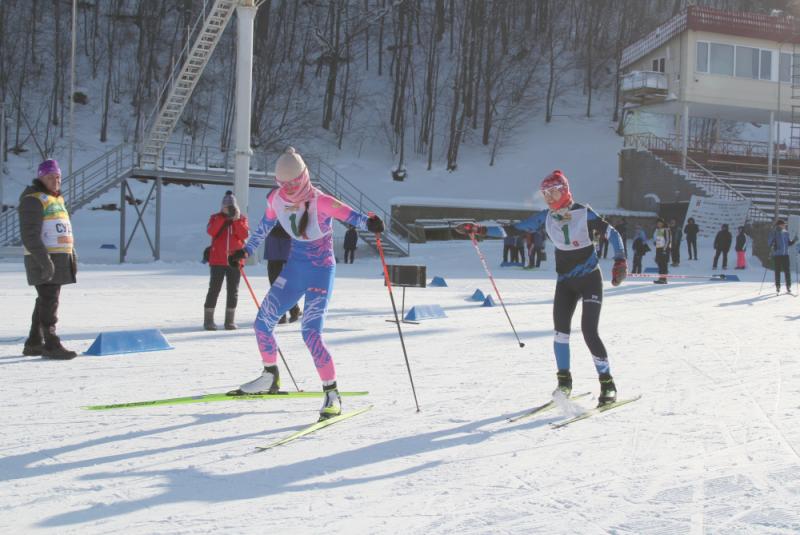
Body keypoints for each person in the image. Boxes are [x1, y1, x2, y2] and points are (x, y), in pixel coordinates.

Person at [227, 147, 383, 420]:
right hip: (295, 268)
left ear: (303, 177)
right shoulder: (275, 199)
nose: (288, 189)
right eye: (282, 184)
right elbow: (264, 227)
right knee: (262, 322)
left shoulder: (321, 201)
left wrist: (371, 223)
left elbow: (354, 217)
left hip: (321, 271)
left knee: (310, 333)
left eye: (292, 183)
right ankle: (270, 376)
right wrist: (245, 250)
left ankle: (332, 393)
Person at [511, 170, 627, 407]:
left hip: (589, 280)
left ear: (564, 190)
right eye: (545, 194)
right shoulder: (546, 217)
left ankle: (607, 384)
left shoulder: (583, 213)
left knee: (589, 331)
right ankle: (564, 382)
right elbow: (514, 230)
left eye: (553, 192)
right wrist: (479, 231)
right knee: (560, 333)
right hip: (565, 283)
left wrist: (620, 260)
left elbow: (613, 234)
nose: (549, 198)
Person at [18, 159, 78, 359]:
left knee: (45, 299)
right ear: (41, 177)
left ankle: (34, 343)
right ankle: (51, 343)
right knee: (49, 300)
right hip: (42, 258)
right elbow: (30, 235)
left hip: (59, 258)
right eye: (51, 177)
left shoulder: (56, 199)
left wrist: (72, 256)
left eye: (58, 177)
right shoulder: (33, 199)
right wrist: (44, 260)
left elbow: (63, 228)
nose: (56, 180)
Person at [203, 191, 249, 331]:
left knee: (233, 290)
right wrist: (223, 218)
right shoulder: (215, 218)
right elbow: (211, 232)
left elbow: (244, 235)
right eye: (225, 206)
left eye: (230, 206)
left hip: (234, 261)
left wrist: (235, 220)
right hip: (217, 260)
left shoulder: (241, 219)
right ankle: (208, 320)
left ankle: (230, 321)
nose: (227, 209)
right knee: (214, 289)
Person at [264, 222, 301, 324]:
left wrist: (274, 230)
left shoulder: (288, 212)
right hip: (272, 254)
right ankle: (284, 313)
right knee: (275, 286)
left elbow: (294, 231)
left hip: (285, 255)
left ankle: (292, 309)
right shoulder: (271, 213)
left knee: (285, 285)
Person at [767, 219, 796, 294]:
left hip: (785, 255)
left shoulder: (786, 233)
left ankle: (788, 286)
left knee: (787, 271)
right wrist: (773, 245)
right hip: (777, 255)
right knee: (777, 271)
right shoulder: (774, 232)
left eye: (784, 225)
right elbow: (769, 242)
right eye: (783, 225)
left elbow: (788, 243)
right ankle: (777, 286)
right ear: (779, 225)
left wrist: (794, 241)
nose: (784, 226)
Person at [653, 218, 671, 284]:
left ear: (663, 223)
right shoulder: (659, 230)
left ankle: (664, 279)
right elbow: (659, 240)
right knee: (660, 263)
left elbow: (668, 240)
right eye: (657, 223)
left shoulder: (666, 229)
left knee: (664, 264)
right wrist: (656, 242)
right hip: (659, 249)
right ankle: (661, 278)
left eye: (660, 223)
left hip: (665, 250)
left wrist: (664, 250)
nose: (658, 224)